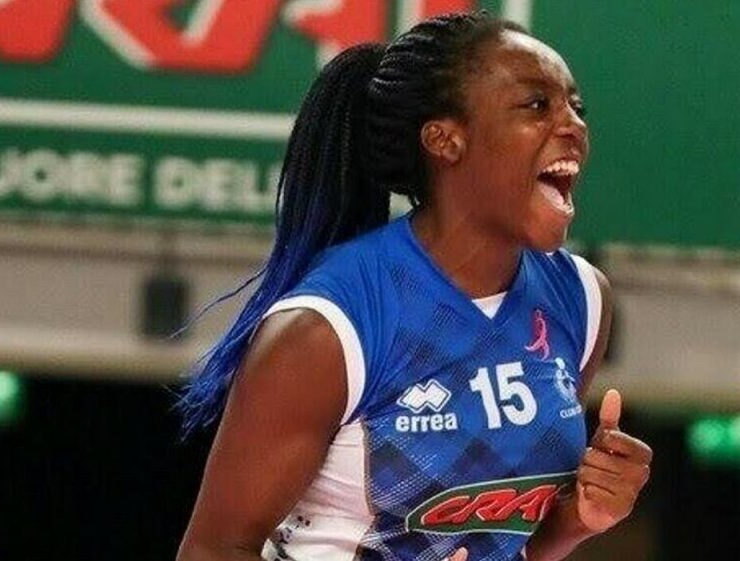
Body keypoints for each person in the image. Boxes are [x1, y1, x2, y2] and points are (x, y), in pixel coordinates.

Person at [176, 11, 651, 561]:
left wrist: (581, 517)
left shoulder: (583, 299)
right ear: (445, 140)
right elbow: (210, 550)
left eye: (575, 107)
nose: (573, 126)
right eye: (537, 106)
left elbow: (513, 545)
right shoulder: (329, 326)